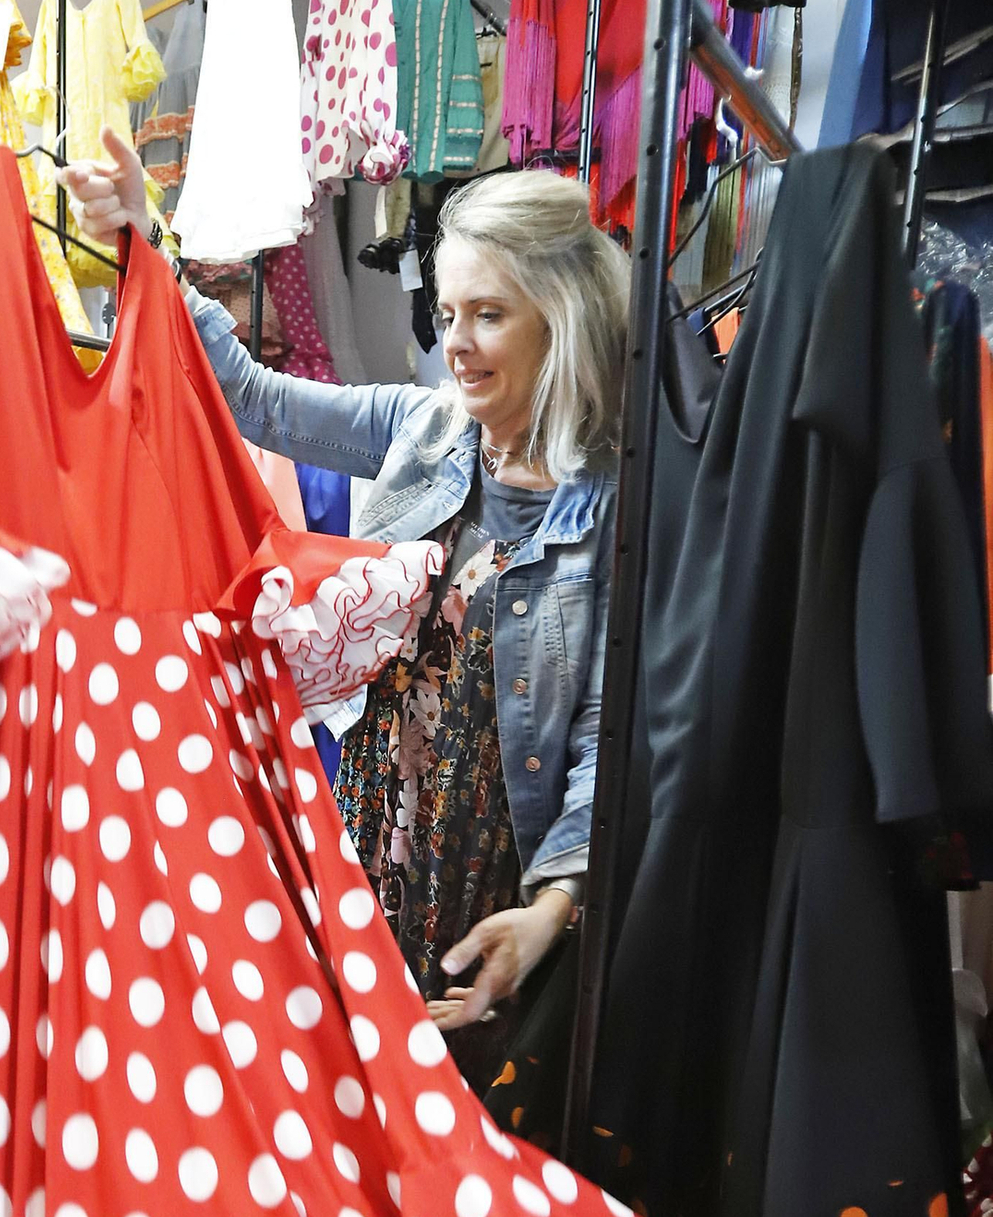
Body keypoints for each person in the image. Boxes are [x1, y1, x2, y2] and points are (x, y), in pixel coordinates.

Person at [61, 131, 626, 1110]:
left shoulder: (614, 509)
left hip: (496, 877)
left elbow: (603, 736)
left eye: (487, 315)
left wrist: (551, 910)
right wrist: (141, 251)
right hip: (370, 834)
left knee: (472, 1134)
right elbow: (249, 399)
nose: (454, 343)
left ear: (562, 319)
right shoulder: (426, 428)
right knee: (346, 1106)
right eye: (448, 313)